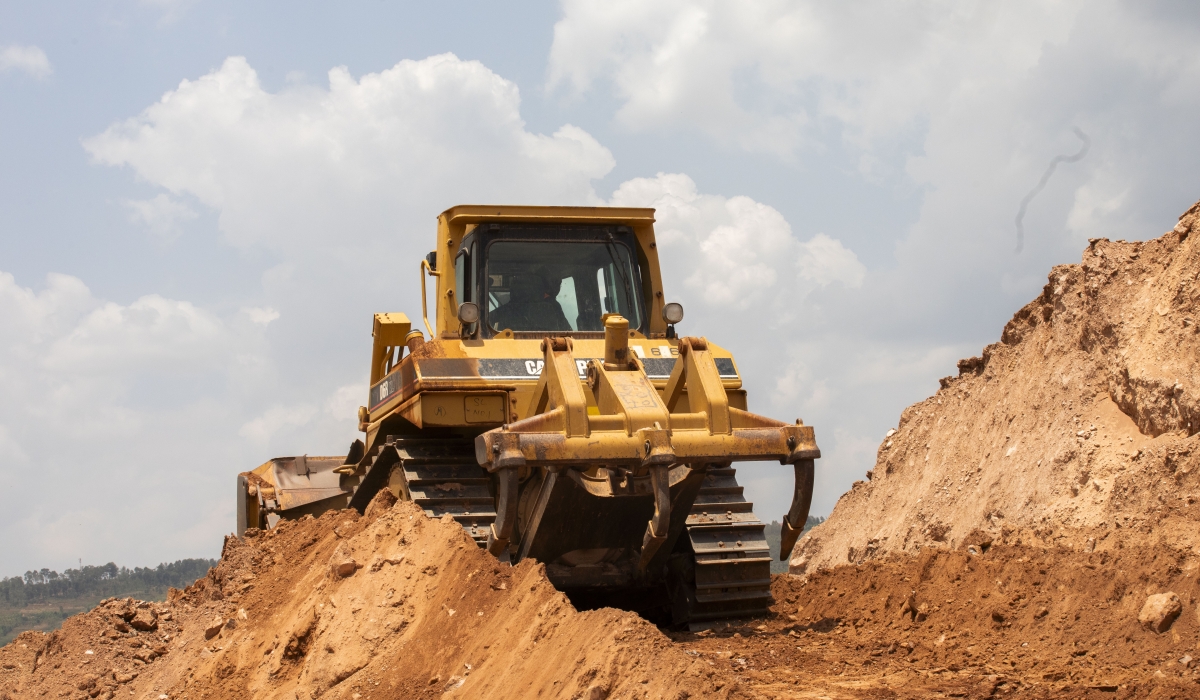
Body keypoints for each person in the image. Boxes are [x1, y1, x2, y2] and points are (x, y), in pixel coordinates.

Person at [488, 271, 571, 332]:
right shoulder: (553, 307)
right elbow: (569, 333)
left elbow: (484, 325)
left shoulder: (506, 310)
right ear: (540, 290)